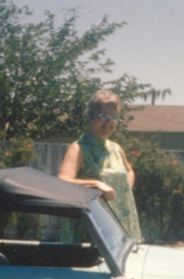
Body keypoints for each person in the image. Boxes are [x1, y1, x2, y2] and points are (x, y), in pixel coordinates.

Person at [59, 89, 142, 240]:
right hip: (93, 226)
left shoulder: (116, 148)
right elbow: (63, 181)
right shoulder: (79, 148)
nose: (108, 123)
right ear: (91, 117)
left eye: (113, 117)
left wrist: (124, 189)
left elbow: (129, 171)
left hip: (119, 222)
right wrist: (96, 184)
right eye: (103, 116)